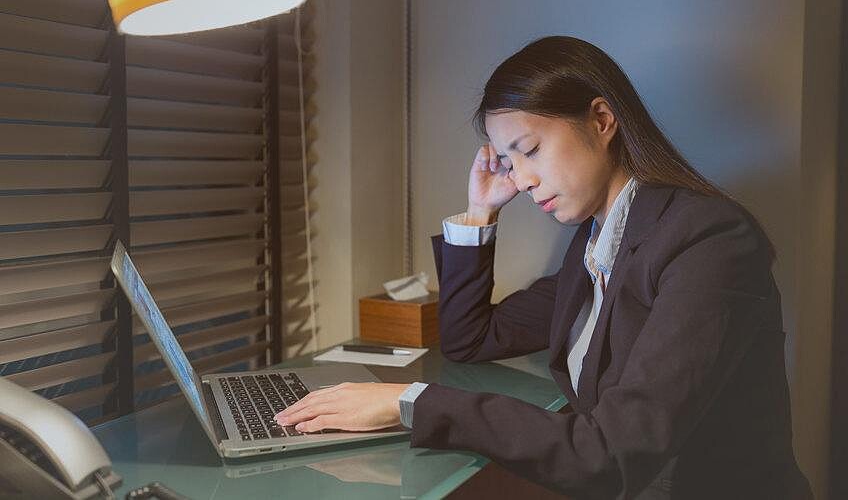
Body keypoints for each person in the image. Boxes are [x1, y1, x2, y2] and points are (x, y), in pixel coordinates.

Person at [275, 36, 811, 499]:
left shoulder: (707, 240)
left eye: (530, 149)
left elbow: (611, 452)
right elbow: (469, 340)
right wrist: (479, 213)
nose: (522, 179)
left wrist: (409, 401)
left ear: (602, 120)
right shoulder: (595, 247)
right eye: (509, 162)